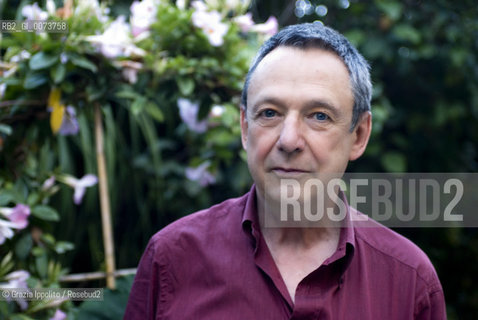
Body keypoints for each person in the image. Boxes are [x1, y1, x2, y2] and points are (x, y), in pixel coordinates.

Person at [124, 23, 446, 319]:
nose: (289, 140)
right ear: (244, 128)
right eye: (269, 113)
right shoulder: (171, 259)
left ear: (359, 135)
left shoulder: (409, 281)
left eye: (319, 116)